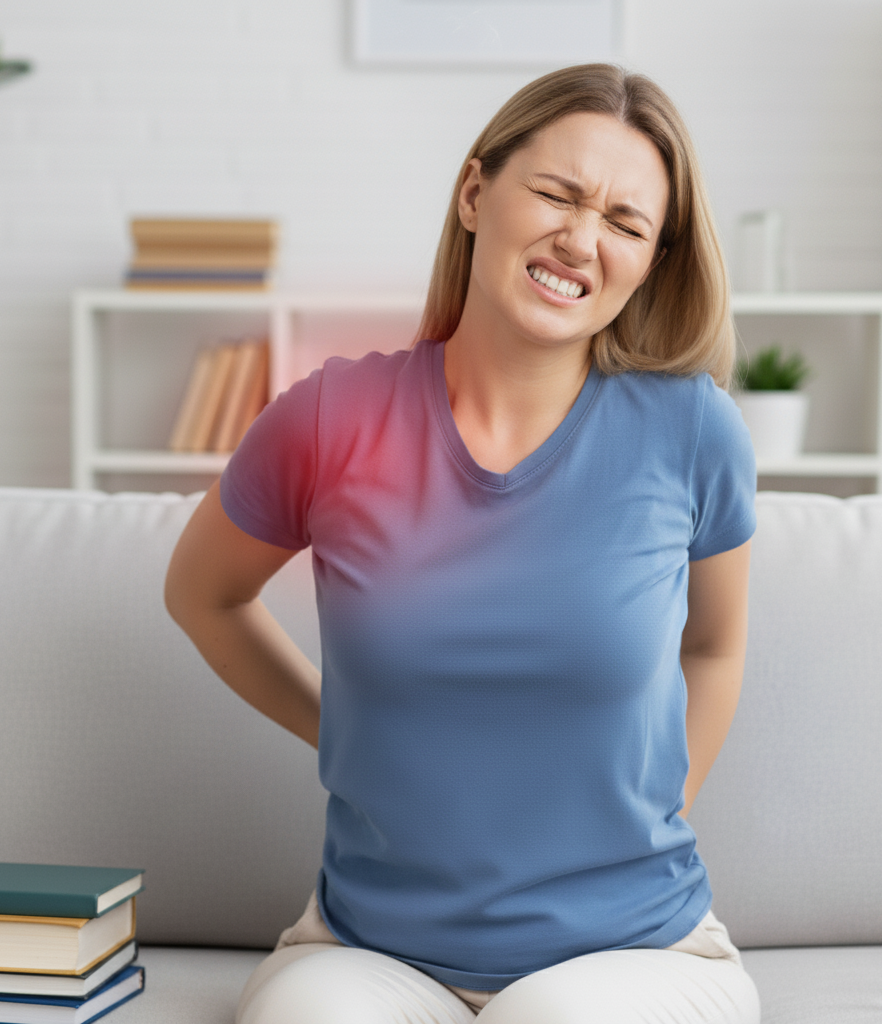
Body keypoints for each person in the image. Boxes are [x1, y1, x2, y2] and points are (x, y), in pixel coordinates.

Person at [165, 63, 761, 1024]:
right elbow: (202, 594)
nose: (580, 238)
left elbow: (716, 646)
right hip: (370, 950)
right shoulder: (328, 416)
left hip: (637, 952)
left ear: (651, 260)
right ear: (476, 192)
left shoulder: (694, 432)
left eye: (624, 222)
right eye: (558, 194)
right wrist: (344, 730)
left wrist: (657, 798)